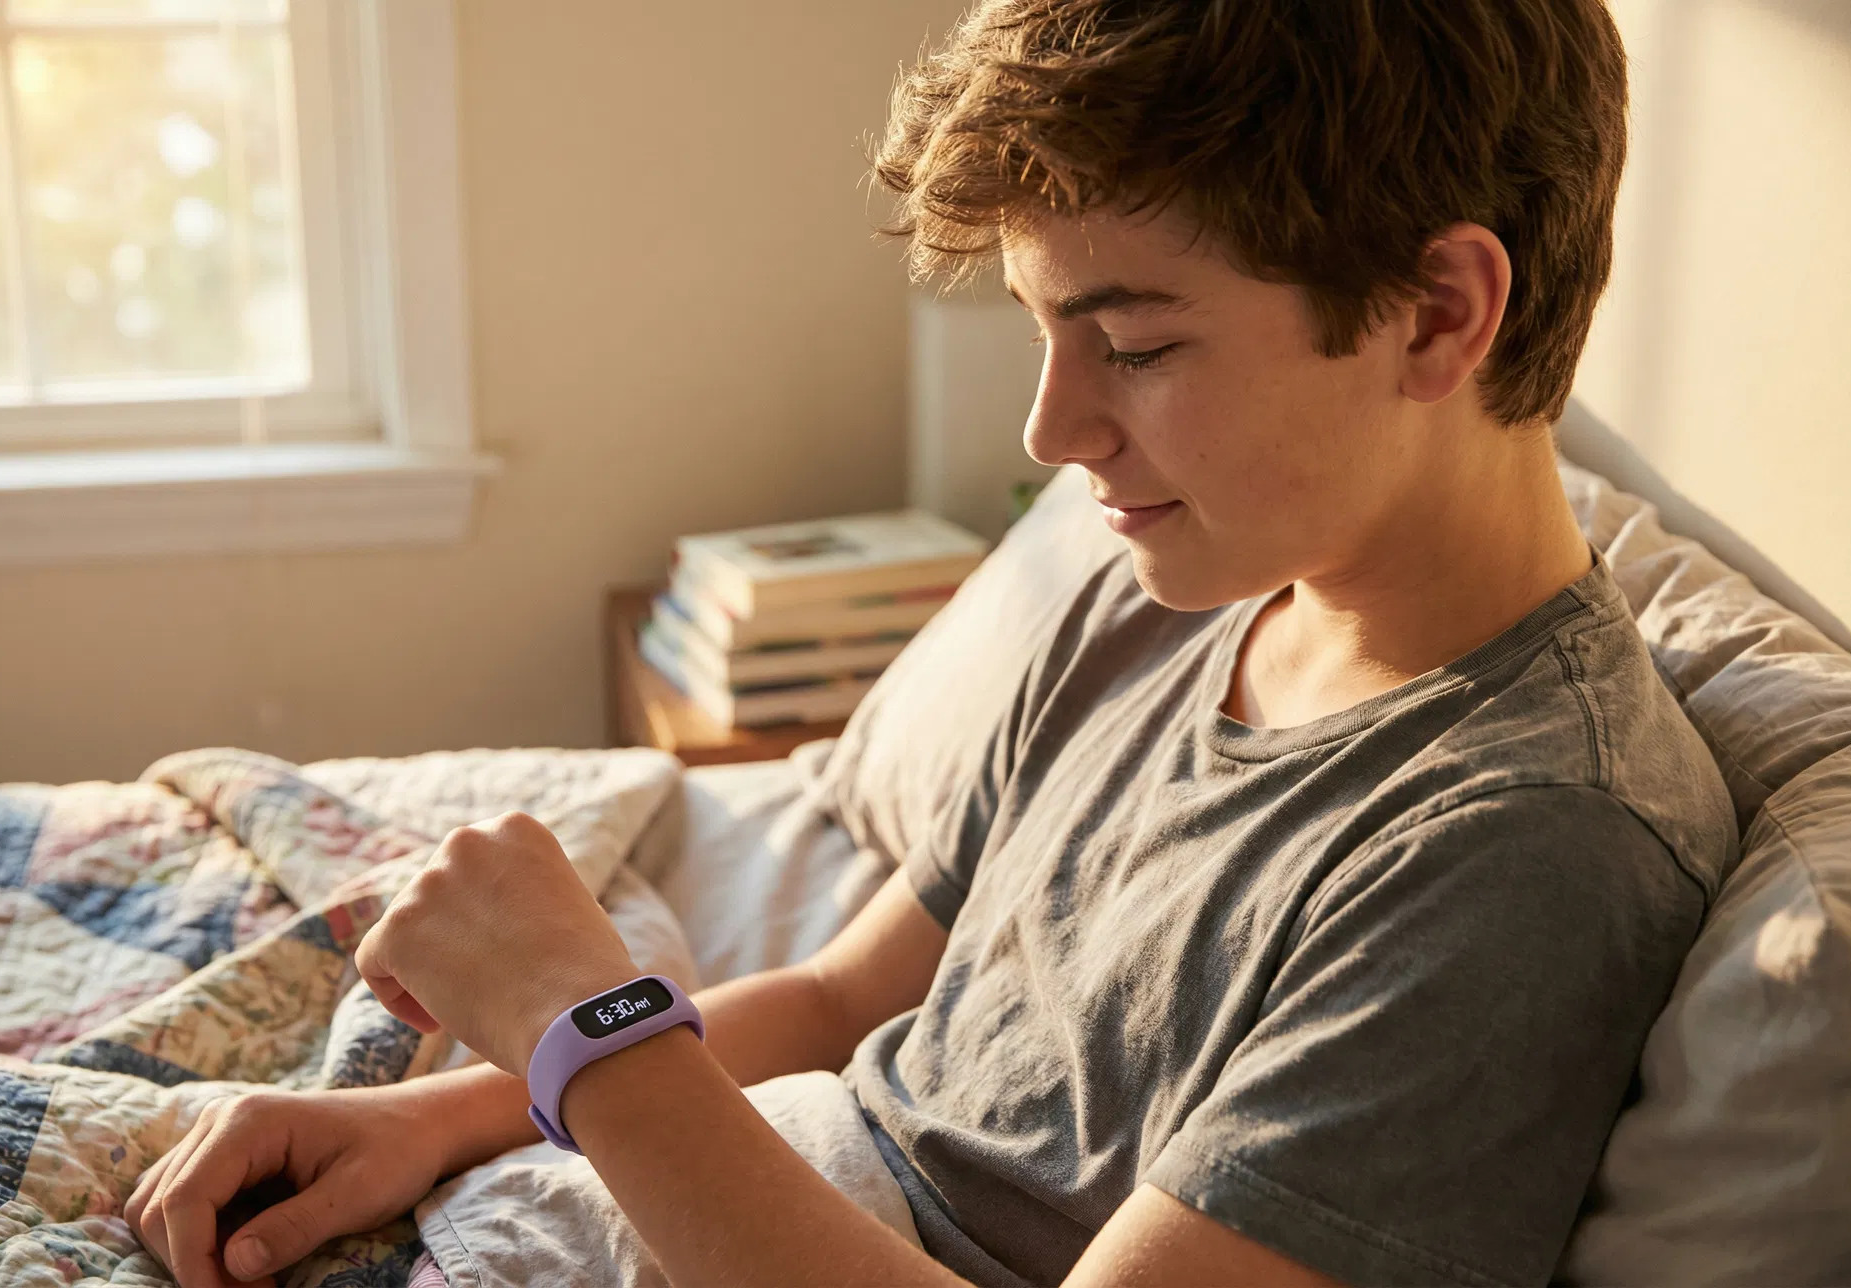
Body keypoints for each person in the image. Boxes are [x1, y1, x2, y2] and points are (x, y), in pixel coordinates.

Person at [123, 1, 1737, 1284]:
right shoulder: (1165, 594)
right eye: (1044, 335)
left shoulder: (1525, 850)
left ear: (1441, 314)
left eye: (1136, 342)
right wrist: (435, 1116)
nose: (1052, 430)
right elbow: (843, 1002)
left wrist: (585, 1033)